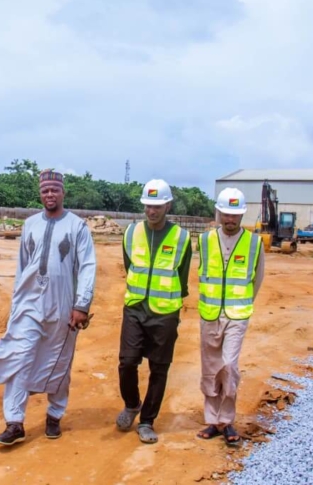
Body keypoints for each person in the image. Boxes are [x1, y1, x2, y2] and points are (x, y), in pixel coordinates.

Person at [0, 169, 97, 446]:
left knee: (59, 360)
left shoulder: (77, 226)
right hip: (29, 303)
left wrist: (81, 305)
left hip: (63, 305)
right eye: (45, 190)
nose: (49, 194)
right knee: (20, 357)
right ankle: (14, 422)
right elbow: (22, 266)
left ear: (63, 193)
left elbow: (87, 267)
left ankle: (54, 415)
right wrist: (16, 303)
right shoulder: (30, 224)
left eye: (54, 190)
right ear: (40, 194)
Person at [116, 179, 192, 444]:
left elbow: (182, 277)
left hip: (165, 312)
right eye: (148, 206)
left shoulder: (182, 237)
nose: (151, 211)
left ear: (168, 206)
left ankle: (147, 421)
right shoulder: (131, 232)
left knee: (159, 368)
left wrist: (170, 306)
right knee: (127, 362)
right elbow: (129, 265)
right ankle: (132, 404)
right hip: (135, 307)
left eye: (157, 206)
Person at [195, 187, 264, 446]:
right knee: (210, 368)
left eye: (235, 215)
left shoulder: (254, 243)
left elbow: (257, 279)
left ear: (242, 215)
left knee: (229, 366)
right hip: (209, 313)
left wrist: (242, 304)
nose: (230, 219)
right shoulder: (204, 240)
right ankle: (213, 421)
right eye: (226, 214)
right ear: (219, 213)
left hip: (237, 315)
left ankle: (226, 420)